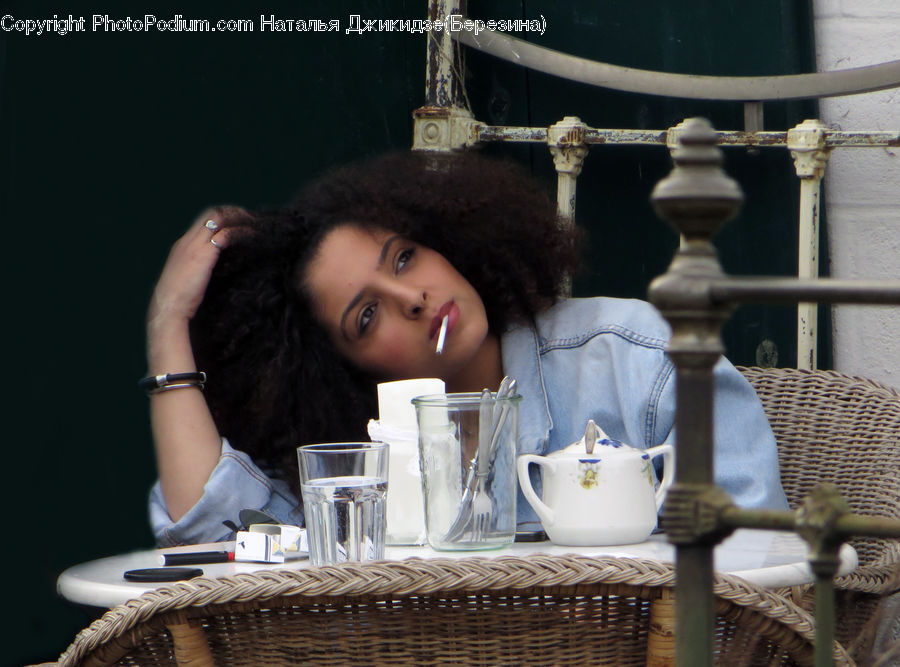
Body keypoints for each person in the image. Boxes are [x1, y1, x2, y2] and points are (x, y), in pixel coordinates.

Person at [145, 151, 788, 547]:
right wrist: (167, 325)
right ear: (341, 371)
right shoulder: (366, 458)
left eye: (404, 257)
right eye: (367, 315)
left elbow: (755, 568)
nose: (415, 297)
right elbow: (215, 535)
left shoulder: (638, 360)